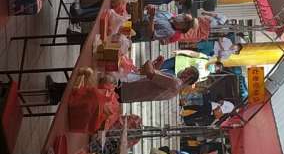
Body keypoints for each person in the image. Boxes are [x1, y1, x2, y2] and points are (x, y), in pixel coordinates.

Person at [46, 58, 200, 105]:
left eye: (188, 73)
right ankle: (58, 92)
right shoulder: (174, 84)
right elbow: (150, 76)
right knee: (90, 88)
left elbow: (148, 72)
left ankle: (58, 93)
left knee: (90, 85)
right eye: (187, 70)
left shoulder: (175, 83)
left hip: (126, 89)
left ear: (188, 79)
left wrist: (150, 64)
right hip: (128, 89)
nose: (185, 72)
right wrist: (155, 66)